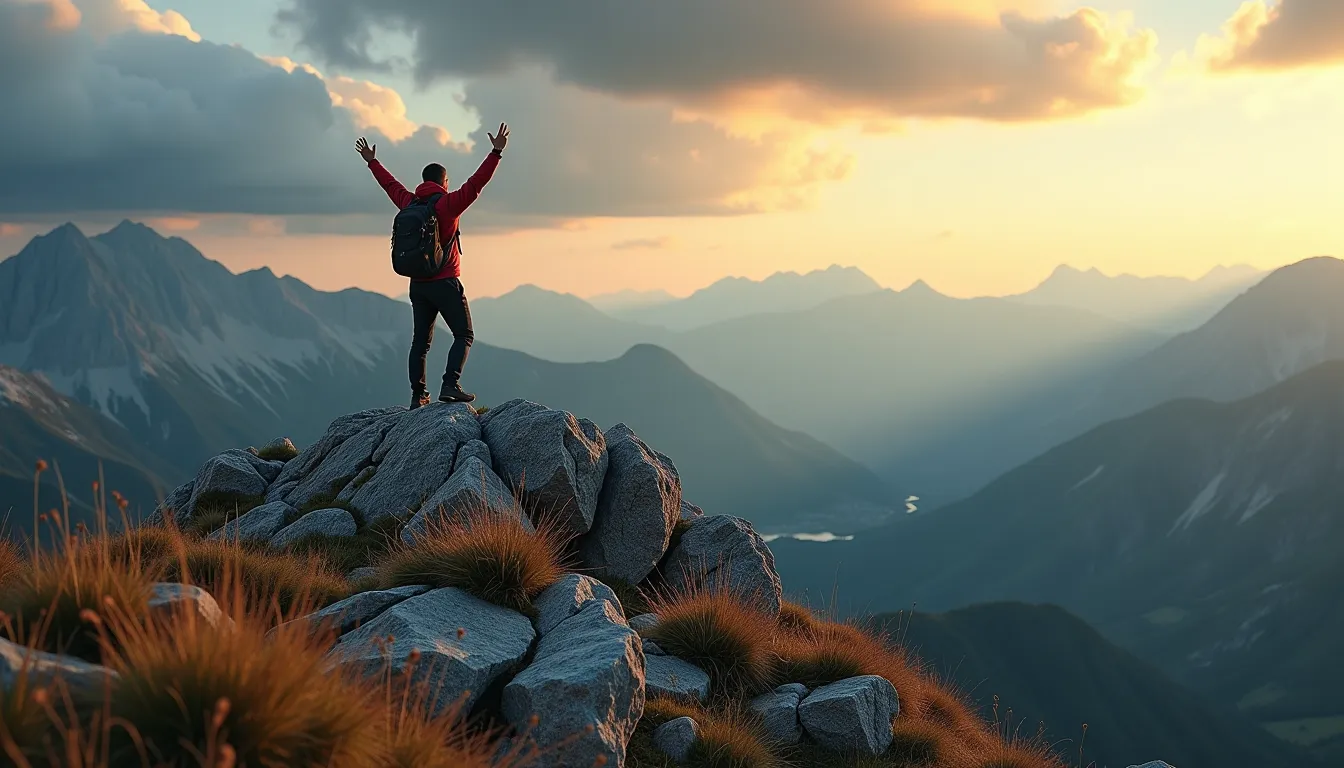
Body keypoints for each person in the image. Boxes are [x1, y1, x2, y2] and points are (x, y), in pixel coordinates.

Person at [355, 124, 509, 408]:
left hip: (418, 285)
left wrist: (372, 161)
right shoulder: (448, 205)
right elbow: (476, 184)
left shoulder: (409, 203)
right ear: (444, 182)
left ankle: (418, 396)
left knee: (420, 344)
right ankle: (450, 384)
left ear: (423, 182)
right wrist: (496, 152)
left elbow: (390, 184)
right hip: (446, 282)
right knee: (464, 334)